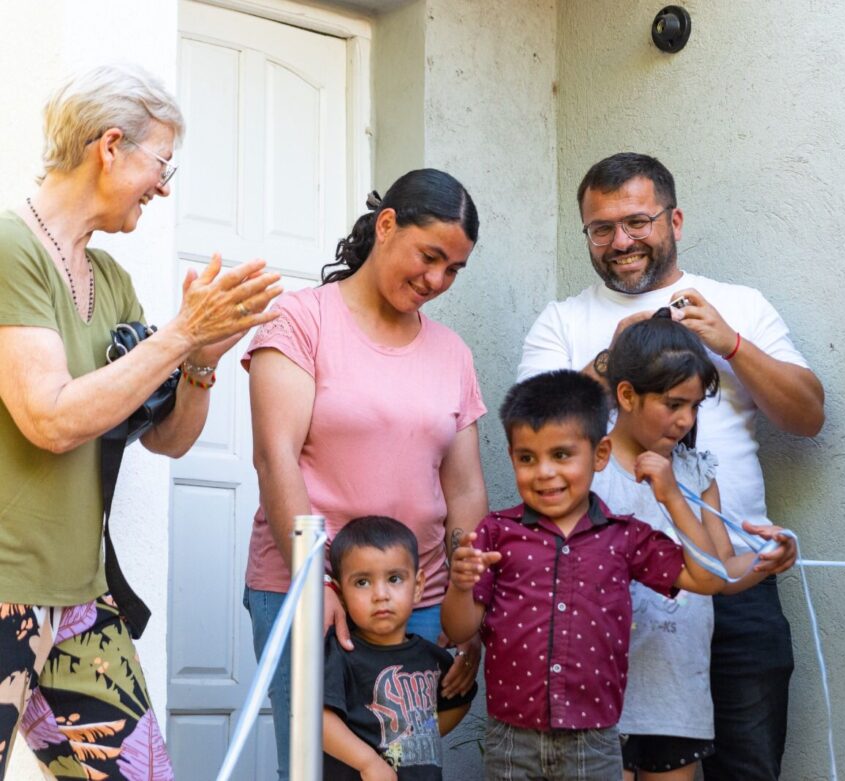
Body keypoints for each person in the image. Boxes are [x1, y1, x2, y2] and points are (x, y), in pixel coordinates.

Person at [0, 63, 281, 778]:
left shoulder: (113, 280)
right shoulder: (10, 247)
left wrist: (199, 362)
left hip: (80, 596)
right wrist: (178, 335)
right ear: (111, 145)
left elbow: (167, 437)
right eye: (162, 162)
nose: (164, 184)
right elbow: (50, 419)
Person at [518, 152, 823, 780]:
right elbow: (538, 427)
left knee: (749, 767)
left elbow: (808, 416)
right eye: (601, 228)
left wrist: (729, 343)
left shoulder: (738, 303)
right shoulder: (564, 319)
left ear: (674, 219)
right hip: (603, 594)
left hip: (731, 573)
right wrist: (616, 357)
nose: (620, 241)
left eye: (637, 221)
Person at [243, 170, 487, 780]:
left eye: (453, 269)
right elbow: (276, 457)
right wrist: (313, 582)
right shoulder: (301, 321)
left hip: (418, 597)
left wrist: (469, 601)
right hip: (308, 587)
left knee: (401, 768)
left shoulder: (452, 352)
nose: (437, 281)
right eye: (430, 256)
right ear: (386, 226)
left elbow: (463, 489)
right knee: (313, 767)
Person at [440, 369, 727, 781]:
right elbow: (459, 624)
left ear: (600, 454)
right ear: (512, 457)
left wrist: (672, 497)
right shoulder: (495, 534)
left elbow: (709, 578)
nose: (544, 472)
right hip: (511, 739)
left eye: (561, 455)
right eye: (527, 458)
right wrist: (460, 586)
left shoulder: (624, 537)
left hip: (595, 741)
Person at [592, 312, 796, 781]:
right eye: (672, 404)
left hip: (675, 690)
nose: (685, 420)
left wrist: (768, 561)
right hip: (605, 691)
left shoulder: (696, 473)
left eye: (695, 407)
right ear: (626, 395)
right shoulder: (592, 469)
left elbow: (720, 571)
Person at [322, 516, 475, 780]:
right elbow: (316, 721)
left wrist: (414, 739)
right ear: (341, 595)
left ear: (417, 587)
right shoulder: (341, 654)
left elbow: (459, 700)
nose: (381, 594)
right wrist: (367, 762)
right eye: (362, 582)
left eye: (394, 578)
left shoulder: (432, 657)